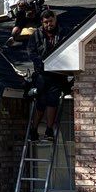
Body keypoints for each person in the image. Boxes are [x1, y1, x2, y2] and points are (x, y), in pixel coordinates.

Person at [29, 8, 67, 140]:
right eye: (45, 22)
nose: (48, 24)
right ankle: (34, 130)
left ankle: (49, 130)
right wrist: (42, 63)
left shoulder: (62, 33)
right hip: (41, 74)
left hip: (57, 74)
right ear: (42, 22)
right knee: (41, 102)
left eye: (50, 21)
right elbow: (31, 52)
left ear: (55, 20)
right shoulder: (36, 35)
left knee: (52, 102)